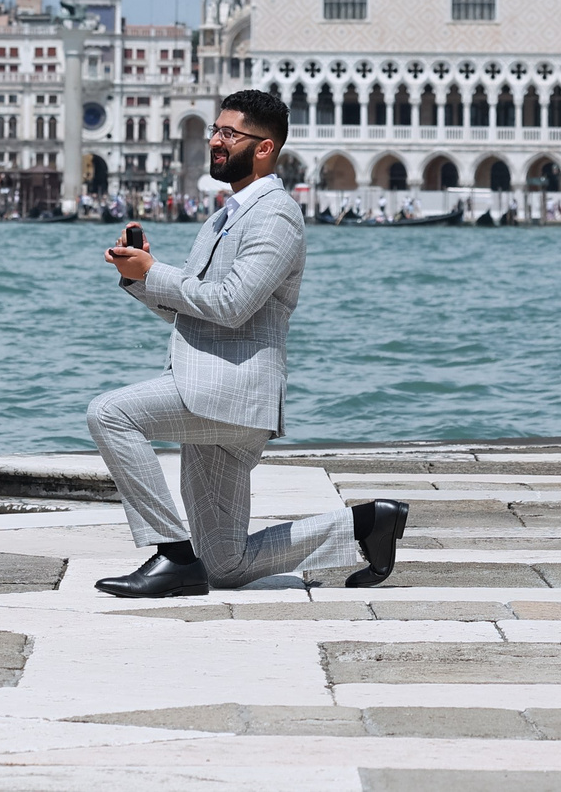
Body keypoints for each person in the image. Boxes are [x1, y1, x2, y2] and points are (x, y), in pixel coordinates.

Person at [85, 88, 409, 598]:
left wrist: (156, 272)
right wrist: (138, 277)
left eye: (228, 133)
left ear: (264, 147)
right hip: (209, 388)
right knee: (227, 566)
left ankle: (172, 554)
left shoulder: (276, 214)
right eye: (215, 130)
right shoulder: (224, 216)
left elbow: (232, 304)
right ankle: (367, 524)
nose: (215, 140)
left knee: (110, 414)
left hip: (230, 393)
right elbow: (195, 307)